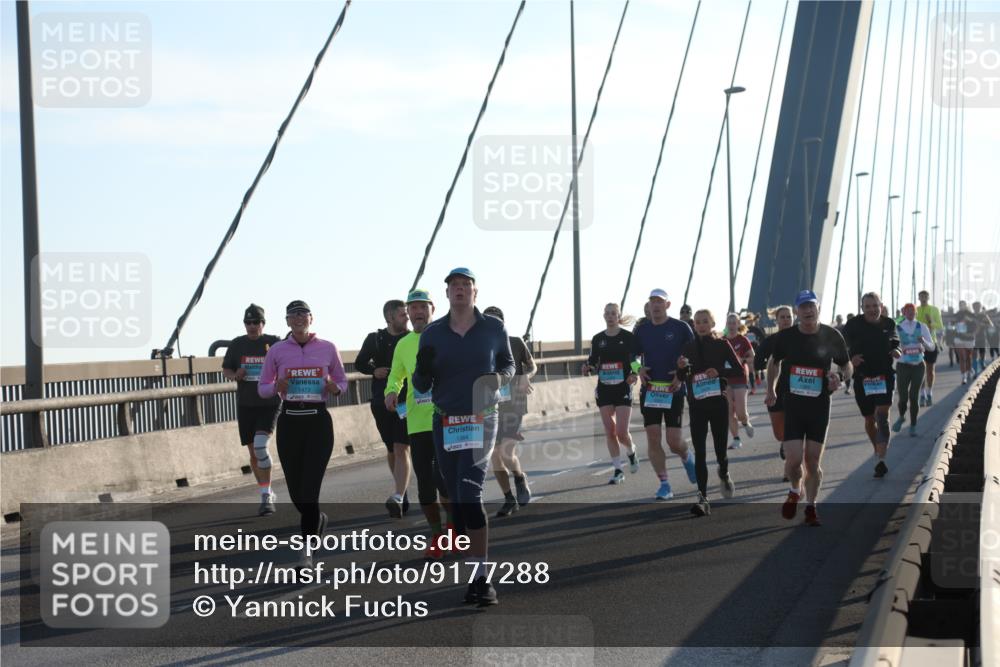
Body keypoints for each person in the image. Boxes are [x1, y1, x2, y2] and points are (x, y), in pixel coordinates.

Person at [411, 267, 514, 607]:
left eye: (465, 285)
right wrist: (422, 370)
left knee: (470, 494)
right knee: (456, 499)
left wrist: (499, 377)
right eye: (453, 286)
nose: (459, 290)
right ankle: (474, 576)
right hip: (445, 422)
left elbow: (509, 363)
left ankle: (483, 580)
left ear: (475, 292)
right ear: (447, 294)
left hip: (482, 418)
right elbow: (421, 386)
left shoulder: (493, 328)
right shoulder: (433, 334)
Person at [259, 300, 347, 567]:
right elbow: (262, 388)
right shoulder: (276, 350)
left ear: (311, 318)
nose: (298, 319)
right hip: (290, 422)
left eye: (303, 314)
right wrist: (277, 385)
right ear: (287, 322)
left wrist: (335, 388)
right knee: (297, 493)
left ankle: (306, 554)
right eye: (293, 315)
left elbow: (342, 381)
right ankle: (317, 520)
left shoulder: (328, 348)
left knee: (310, 490)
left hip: (318, 422)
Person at [766, 290, 851, 527]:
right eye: (803, 307)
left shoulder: (831, 335)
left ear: (818, 308)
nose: (808, 310)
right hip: (793, 405)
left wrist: (840, 378)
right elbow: (774, 363)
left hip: (819, 405)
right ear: (796, 312)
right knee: (793, 461)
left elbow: (847, 365)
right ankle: (795, 489)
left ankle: (811, 507)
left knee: (812, 461)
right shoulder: (787, 337)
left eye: (811, 306)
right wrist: (771, 389)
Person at [385, 289, 453, 558]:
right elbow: (396, 375)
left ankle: (453, 529)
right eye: (413, 308)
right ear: (408, 313)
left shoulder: (446, 336)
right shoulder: (403, 344)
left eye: (423, 306)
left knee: (445, 481)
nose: (418, 312)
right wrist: (390, 391)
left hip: (446, 419)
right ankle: (437, 536)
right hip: (417, 422)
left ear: (432, 309)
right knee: (425, 484)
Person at [676, 309, 745, 517]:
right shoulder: (688, 347)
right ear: (694, 325)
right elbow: (683, 376)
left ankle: (723, 473)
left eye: (705, 321)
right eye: (697, 322)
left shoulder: (722, 345)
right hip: (697, 405)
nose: (701, 325)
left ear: (713, 323)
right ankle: (703, 498)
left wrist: (719, 371)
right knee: (700, 452)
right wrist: (680, 368)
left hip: (718, 404)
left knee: (719, 451)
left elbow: (739, 370)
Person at [633, 289, 698, 500]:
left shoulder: (681, 328)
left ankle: (687, 458)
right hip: (651, 390)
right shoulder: (642, 330)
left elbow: (694, 354)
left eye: (660, 302)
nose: (656, 305)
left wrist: (681, 375)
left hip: (674, 389)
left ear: (667, 305)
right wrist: (638, 369)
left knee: (673, 441)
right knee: (653, 437)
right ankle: (664, 484)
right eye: (652, 301)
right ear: (649, 305)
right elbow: (630, 356)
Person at [221, 304, 281, 516]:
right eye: (248, 322)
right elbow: (226, 368)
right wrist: (234, 374)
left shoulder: (273, 342)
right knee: (253, 453)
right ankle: (266, 491)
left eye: (256, 322)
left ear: (263, 324)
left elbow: (288, 359)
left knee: (260, 447)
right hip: (246, 404)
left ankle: (266, 497)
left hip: (269, 403)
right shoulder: (238, 344)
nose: (252, 326)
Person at [357, 300, 412, 518]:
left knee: (401, 447)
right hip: (381, 402)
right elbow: (360, 362)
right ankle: (403, 489)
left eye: (406, 314)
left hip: (406, 401)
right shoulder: (375, 339)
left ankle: (398, 494)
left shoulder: (411, 338)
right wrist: (374, 370)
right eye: (402, 314)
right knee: (391, 449)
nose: (406, 317)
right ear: (389, 317)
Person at [483, 305, 538, 517]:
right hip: (488, 405)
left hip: (514, 404)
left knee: (506, 451)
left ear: (502, 323)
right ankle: (508, 498)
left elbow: (532, 366)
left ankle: (519, 477)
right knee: (495, 457)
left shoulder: (515, 342)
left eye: (496, 321)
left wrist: (526, 376)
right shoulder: (477, 346)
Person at [841, 292, 900, 478]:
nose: (872, 309)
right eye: (868, 306)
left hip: (884, 376)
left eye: (875, 306)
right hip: (863, 378)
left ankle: (880, 460)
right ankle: (877, 450)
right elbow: (842, 348)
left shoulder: (889, 323)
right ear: (862, 308)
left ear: (881, 305)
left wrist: (896, 351)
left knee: (882, 416)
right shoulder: (853, 325)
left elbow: (895, 343)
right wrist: (851, 358)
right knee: (869, 420)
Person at [583, 303, 640, 485]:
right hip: (605, 388)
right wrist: (588, 367)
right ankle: (617, 469)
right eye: (607, 313)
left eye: (613, 313)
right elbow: (592, 361)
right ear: (603, 315)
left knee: (622, 432)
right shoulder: (598, 338)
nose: (610, 316)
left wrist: (635, 373)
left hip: (623, 387)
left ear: (618, 315)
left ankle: (631, 452)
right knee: (610, 431)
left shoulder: (628, 337)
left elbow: (635, 359)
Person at [754, 305, 793, 471]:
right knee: (779, 433)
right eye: (782, 317)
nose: (785, 320)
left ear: (793, 318)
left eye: (788, 317)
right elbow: (757, 362)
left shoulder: (802, 338)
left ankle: (791, 468)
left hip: (797, 390)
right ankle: (785, 443)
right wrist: (768, 363)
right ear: (776, 320)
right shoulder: (770, 341)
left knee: (795, 430)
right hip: (776, 391)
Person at [893, 303, 936, 437]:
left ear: (916, 313)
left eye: (913, 311)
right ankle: (901, 416)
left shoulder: (922, 327)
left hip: (918, 365)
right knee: (903, 397)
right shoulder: (898, 327)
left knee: (914, 396)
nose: (911, 313)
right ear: (904, 313)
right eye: (908, 311)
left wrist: (923, 341)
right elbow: (892, 346)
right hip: (903, 366)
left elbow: (932, 347)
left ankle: (913, 425)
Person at [723, 313, 756, 450]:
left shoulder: (742, 340)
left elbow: (752, 356)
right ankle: (736, 439)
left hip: (740, 378)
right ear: (726, 324)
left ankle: (745, 422)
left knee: (741, 412)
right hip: (726, 379)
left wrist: (743, 360)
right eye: (729, 323)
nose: (731, 325)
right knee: (729, 411)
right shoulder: (722, 340)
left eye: (733, 323)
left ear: (738, 324)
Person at [915, 290, 944, 406]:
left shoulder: (934, 309)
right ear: (918, 298)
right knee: (921, 370)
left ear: (928, 297)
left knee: (930, 370)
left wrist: (930, 322)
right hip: (918, 344)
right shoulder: (916, 310)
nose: (923, 298)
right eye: (921, 296)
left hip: (931, 343)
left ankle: (929, 392)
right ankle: (922, 394)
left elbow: (940, 326)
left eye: (925, 296)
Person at [952, 301, 977, 383]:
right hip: (959, 338)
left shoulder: (971, 314)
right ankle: (964, 376)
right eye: (960, 305)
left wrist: (969, 320)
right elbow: (951, 325)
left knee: (968, 357)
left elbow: (976, 324)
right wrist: (953, 323)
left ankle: (970, 370)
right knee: (962, 357)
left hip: (969, 338)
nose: (961, 306)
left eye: (963, 305)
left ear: (966, 305)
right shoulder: (956, 314)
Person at [972, 301, 994, 376]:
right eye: (975, 307)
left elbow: (991, 325)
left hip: (982, 337)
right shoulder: (971, 316)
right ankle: (975, 370)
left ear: (980, 307)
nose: (977, 308)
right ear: (973, 308)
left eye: (978, 307)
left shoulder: (983, 316)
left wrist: (984, 322)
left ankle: (982, 364)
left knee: (982, 353)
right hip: (973, 338)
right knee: (974, 355)